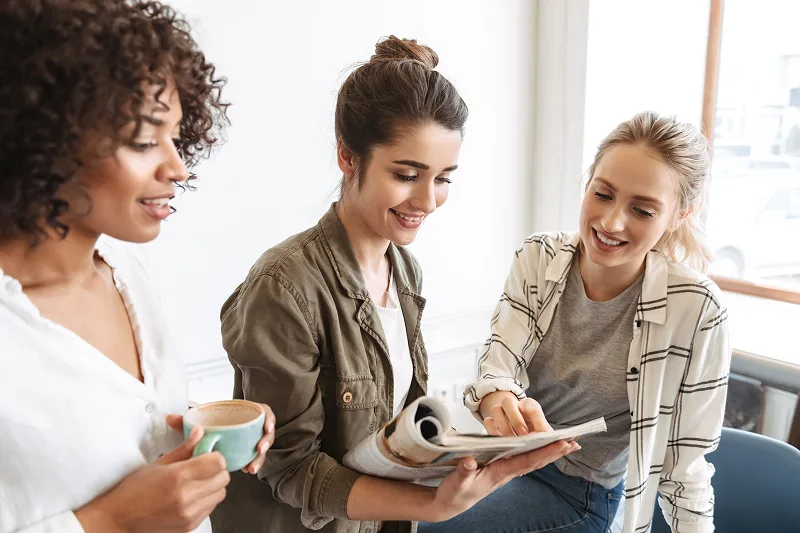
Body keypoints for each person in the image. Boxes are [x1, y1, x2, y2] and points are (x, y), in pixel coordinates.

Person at [210, 36, 577, 533]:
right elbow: (291, 469)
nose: (427, 200)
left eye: (444, 178)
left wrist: (488, 443)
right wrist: (431, 506)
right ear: (347, 157)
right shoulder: (283, 287)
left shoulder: (404, 271)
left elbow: (392, 432)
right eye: (407, 174)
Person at [0, 2, 275, 532]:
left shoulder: (126, 272)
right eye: (145, 141)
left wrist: (206, 423)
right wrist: (107, 522)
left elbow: (113, 424)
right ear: (44, 137)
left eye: (175, 137)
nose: (177, 167)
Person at [423, 111, 731, 533]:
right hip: (505, 460)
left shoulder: (696, 309)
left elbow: (686, 466)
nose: (610, 222)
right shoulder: (538, 258)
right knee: (389, 510)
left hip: (577, 492)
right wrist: (499, 400)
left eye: (642, 210)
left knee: (426, 528)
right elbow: (499, 363)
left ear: (679, 215)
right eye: (603, 194)